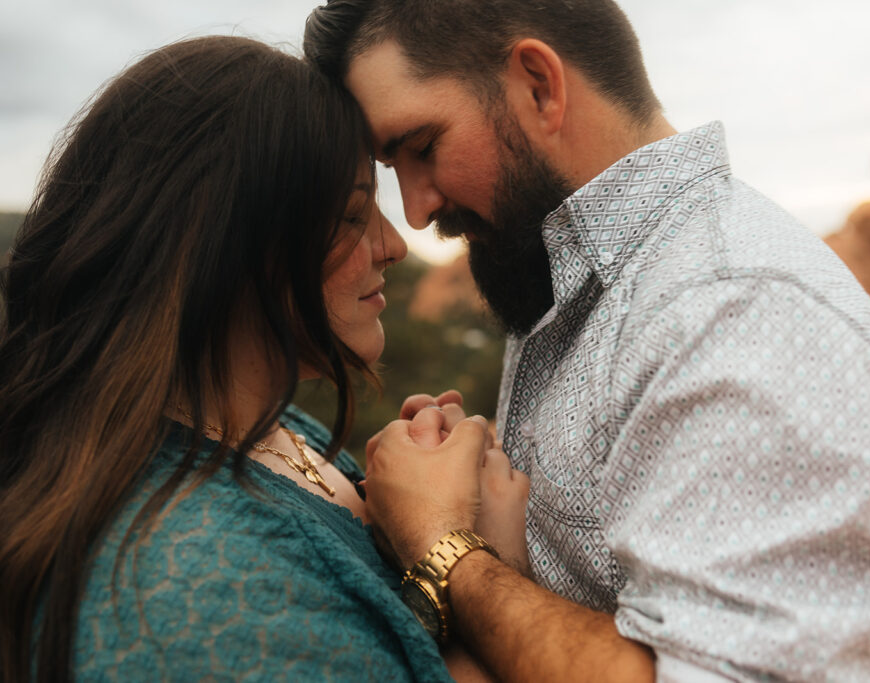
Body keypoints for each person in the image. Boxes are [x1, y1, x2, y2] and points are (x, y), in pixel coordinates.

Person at [303, 1, 870, 680]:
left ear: (538, 86)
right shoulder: (580, 275)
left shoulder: (736, 314)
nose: (415, 207)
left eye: (422, 147)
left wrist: (444, 545)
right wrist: (479, 506)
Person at [0, 35, 524, 682]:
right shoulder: (192, 588)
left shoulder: (267, 429)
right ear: (233, 247)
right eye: (355, 215)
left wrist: (416, 510)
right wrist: (472, 553)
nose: (393, 244)